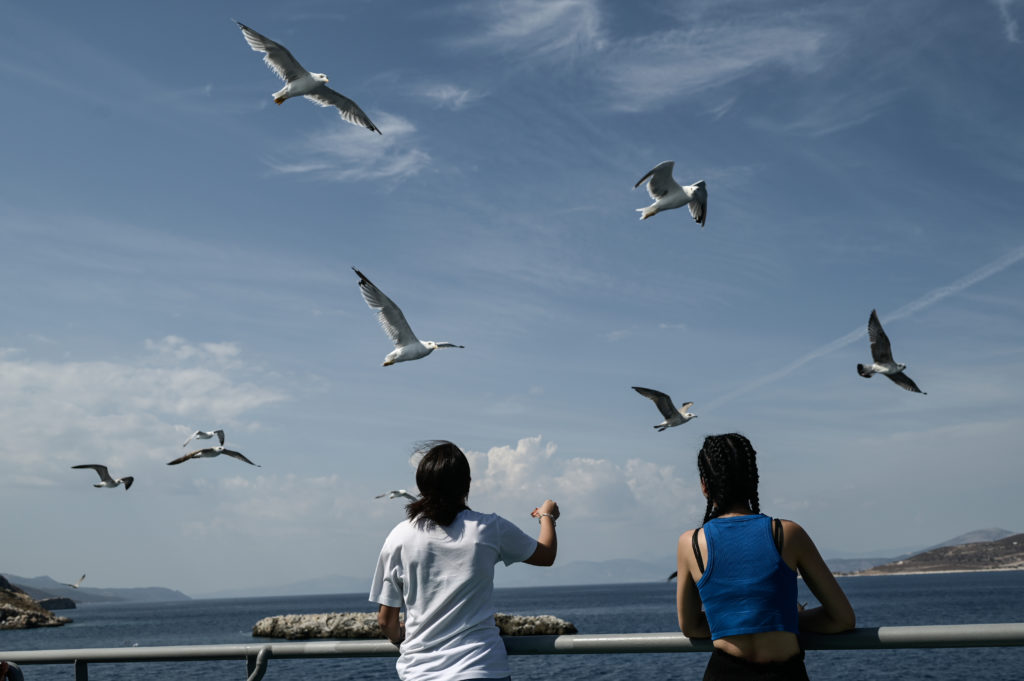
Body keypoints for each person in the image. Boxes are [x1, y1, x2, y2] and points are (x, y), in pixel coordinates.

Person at [369, 440, 559, 681]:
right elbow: (546, 554)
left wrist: (399, 638)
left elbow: (386, 621)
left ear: (421, 485)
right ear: (467, 484)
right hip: (483, 668)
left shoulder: (399, 536)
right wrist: (547, 515)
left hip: (421, 673)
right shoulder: (488, 528)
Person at [676, 433, 855, 681]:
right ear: (753, 480)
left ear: (705, 485)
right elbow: (842, 619)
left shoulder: (691, 543)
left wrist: (736, 618)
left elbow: (691, 627)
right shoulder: (788, 534)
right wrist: (782, 617)